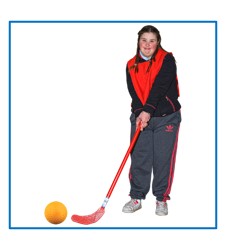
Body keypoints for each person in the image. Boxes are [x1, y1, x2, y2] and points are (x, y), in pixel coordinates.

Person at [122, 25, 181, 216]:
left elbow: (160, 87)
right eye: (144, 40)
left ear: (158, 43)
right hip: (141, 117)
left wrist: (148, 110)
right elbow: (133, 92)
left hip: (166, 117)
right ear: (138, 41)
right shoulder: (130, 64)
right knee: (139, 157)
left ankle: (161, 199)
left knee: (163, 159)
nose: (147, 45)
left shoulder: (167, 59)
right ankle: (136, 197)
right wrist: (140, 112)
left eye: (152, 41)